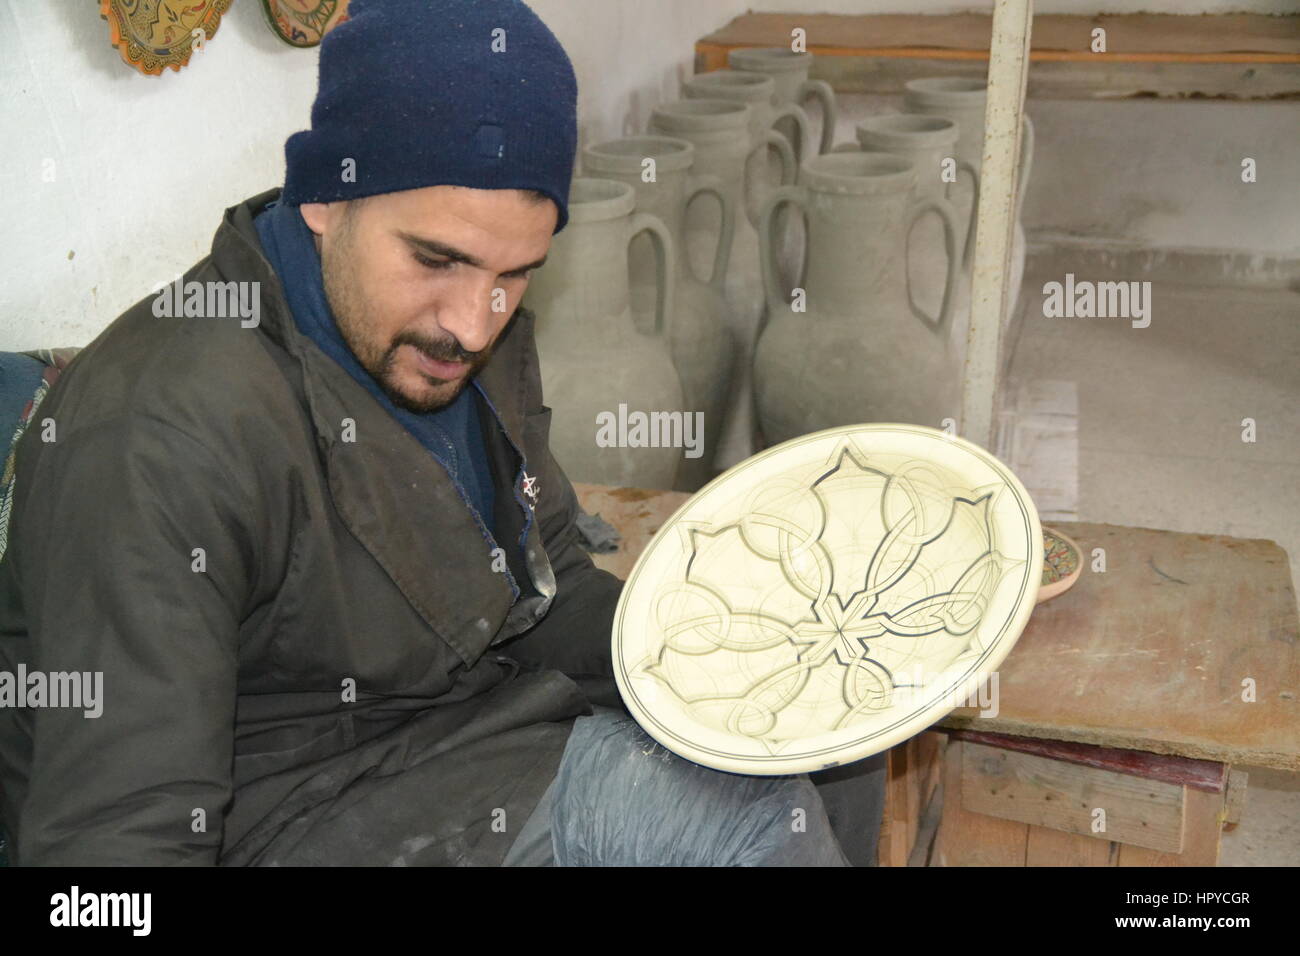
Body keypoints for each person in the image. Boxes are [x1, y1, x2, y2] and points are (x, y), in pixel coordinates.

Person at [0, 0, 883, 866]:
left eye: (516, 274)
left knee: (832, 731)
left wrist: (734, 653)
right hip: (283, 808)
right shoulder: (160, 433)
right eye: (435, 260)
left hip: (451, 732)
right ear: (323, 200)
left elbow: (548, 581)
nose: (471, 323)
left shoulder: (447, 335)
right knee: (744, 827)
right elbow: (114, 839)